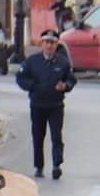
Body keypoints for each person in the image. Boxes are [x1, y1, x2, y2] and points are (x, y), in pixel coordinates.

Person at [15, 29, 75, 179]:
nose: (49, 46)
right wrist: (33, 86)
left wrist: (65, 86)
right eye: (47, 42)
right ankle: (39, 166)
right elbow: (21, 78)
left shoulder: (63, 62)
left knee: (56, 136)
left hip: (55, 105)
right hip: (37, 104)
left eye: (53, 43)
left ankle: (56, 165)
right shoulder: (32, 61)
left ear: (56, 45)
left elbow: (71, 79)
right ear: (42, 44)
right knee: (38, 136)